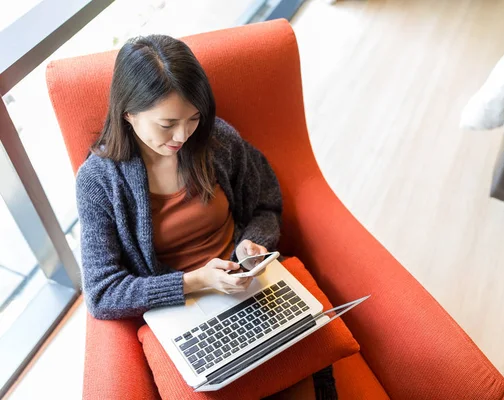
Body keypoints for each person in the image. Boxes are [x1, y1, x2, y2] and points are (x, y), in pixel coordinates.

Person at [76, 34, 336, 399]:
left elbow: (265, 203)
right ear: (128, 113)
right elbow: (103, 294)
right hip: (182, 311)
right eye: (167, 124)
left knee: (299, 375)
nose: (182, 135)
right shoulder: (99, 181)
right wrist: (196, 281)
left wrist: (250, 247)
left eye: (193, 118)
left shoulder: (217, 141)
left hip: (247, 290)